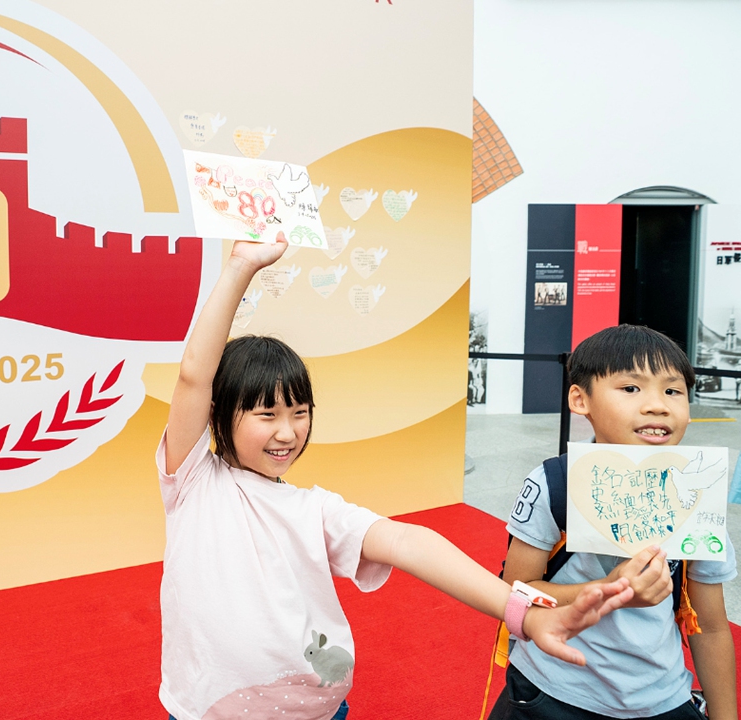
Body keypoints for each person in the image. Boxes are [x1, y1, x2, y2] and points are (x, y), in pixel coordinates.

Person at [158, 238, 634, 720]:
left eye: (300, 412)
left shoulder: (315, 508)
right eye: (266, 414)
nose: (288, 432)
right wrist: (242, 266)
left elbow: (410, 543)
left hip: (317, 709)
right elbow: (195, 376)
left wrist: (523, 614)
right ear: (219, 414)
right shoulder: (194, 481)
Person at [490, 325, 738, 720]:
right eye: (631, 388)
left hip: (661, 697)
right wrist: (607, 589)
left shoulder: (695, 494)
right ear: (579, 398)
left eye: (673, 391)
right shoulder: (555, 483)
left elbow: (709, 626)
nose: (657, 405)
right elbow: (512, 592)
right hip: (552, 690)